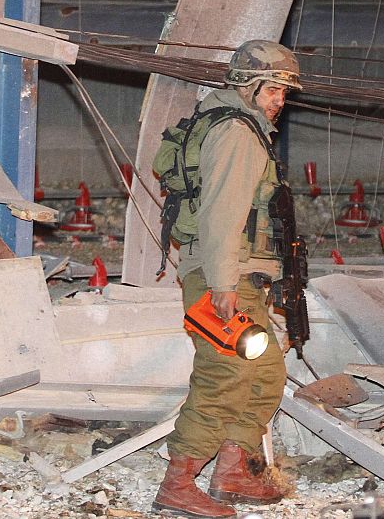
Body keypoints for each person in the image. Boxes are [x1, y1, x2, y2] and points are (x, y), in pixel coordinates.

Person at [155, 40, 300, 518]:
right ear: (249, 85)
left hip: (234, 271)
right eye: (275, 88)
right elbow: (223, 214)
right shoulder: (237, 134)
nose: (281, 99)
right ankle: (178, 483)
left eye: (284, 90)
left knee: (265, 372)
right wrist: (223, 285)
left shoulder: (235, 125)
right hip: (224, 272)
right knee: (226, 374)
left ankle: (233, 471)